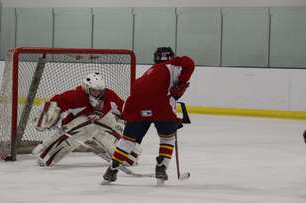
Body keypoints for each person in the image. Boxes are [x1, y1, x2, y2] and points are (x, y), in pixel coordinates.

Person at [102, 47, 195, 184]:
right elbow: (190, 63)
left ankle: (111, 170)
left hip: (137, 105)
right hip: (160, 105)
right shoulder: (174, 65)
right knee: (167, 138)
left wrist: (128, 114)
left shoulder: (148, 73)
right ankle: (161, 167)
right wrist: (181, 83)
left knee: (127, 141)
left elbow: (135, 94)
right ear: (171, 57)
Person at [32, 72, 141, 167]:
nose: (98, 94)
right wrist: (46, 116)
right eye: (94, 91)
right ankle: (48, 152)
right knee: (87, 121)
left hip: (101, 124)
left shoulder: (109, 95)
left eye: (100, 91)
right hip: (76, 128)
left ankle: (126, 154)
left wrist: (135, 120)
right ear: (86, 88)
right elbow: (56, 103)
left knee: (129, 160)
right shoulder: (75, 96)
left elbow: (124, 109)